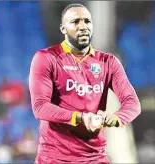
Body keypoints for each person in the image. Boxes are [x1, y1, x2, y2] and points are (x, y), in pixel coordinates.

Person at [29, 3, 141, 164]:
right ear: (63, 28)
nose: (83, 27)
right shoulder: (46, 58)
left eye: (87, 21)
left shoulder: (108, 62)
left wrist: (115, 118)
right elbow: (40, 107)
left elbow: (133, 104)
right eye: (75, 22)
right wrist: (80, 117)